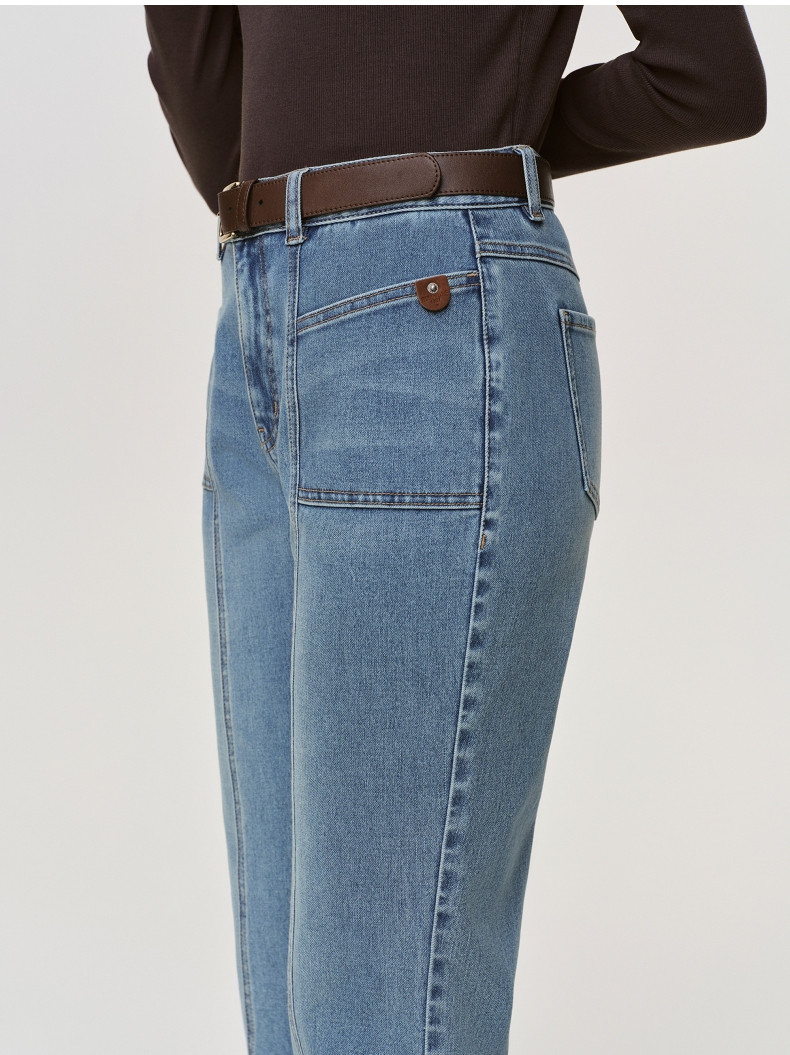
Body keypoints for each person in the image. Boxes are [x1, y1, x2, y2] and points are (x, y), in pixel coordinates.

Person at [144, 8, 766, 1054]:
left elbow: (706, 78)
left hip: (429, 310)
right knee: (296, 1008)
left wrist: (481, 137)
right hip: (260, 308)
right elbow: (219, 131)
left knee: (370, 1008)